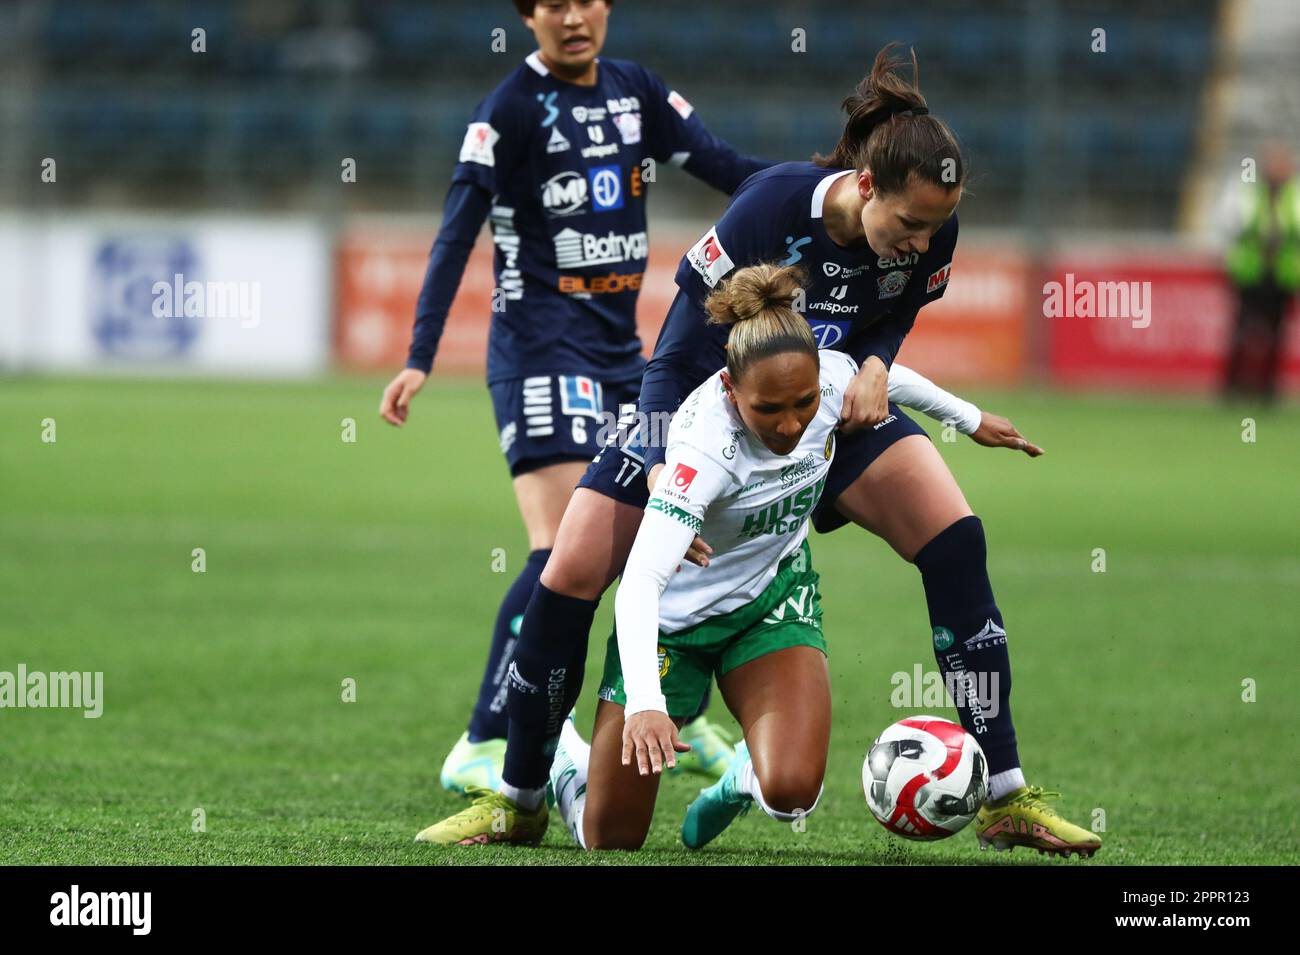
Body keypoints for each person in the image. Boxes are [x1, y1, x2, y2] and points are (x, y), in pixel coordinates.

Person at [420, 43, 1099, 859]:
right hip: (707, 408)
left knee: (956, 537)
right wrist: (670, 460)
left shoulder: (931, 228)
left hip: (824, 405)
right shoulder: (772, 205)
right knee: (568, 571)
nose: (922, 242)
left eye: (933, 227)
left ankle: (1004, 794)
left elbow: (894, 312)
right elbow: (674, 348)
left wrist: (879, 364)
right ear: (864, 186)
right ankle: (521, 798)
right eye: (909, 225)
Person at [379, 0, 771, 793]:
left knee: (657, 530)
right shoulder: (508, 111)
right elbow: (459, 229)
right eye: (552, 4)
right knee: (564, 547)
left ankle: (678, 708)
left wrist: (816, 194)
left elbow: (727, 167)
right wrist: (420, 353)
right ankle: (482, 740)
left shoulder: (637, 92)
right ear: (528, 17)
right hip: (537, 355)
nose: (572, 17)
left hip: (628, 360)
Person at [547, 264, 985, 851]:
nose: (790, 424)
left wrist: (974, 421)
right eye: (769, 409)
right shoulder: (700, 450)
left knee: (792, 794)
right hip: (670, 633)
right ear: (731, 390)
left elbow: (890, 379)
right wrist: (646, 706)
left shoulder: (826, 379)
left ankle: (743, 777)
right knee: (610, 840)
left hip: (768, 602)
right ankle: (566, 761)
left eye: (803, 403)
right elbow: (639, 585)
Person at [1222, 143, 1299, 402]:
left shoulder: (1295, 194)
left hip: (1283, 274)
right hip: (1250, 272)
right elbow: (1230, 224)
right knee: (1241, 331)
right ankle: (1233, 386)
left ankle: (1268, 389)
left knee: (1277, 333)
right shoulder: (1247, 191)